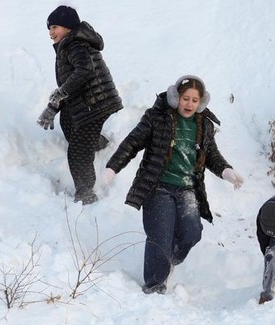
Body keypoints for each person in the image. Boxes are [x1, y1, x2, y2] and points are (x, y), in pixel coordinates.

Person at [101, 75, 244, 294]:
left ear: (201, 102)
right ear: (176, 97)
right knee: (160, 237)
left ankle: (171, 259)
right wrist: (113, 167)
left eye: (194, 101)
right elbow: (132, 143)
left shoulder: (203, 124)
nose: (189, 104)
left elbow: (212, 155)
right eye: (185, 98)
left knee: (192, 232)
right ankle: (155, 285)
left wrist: (227, 172)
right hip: (158, 187)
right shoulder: (157, 117)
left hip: (188, 188)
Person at [37, 5, 123, 205]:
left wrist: (60, 94)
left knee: (77, 151)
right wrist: (54, 106)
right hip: (87, 102)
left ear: (68, 26)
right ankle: (98, 143)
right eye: (49, 29)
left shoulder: (75, 44)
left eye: (54, 27)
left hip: (96, 103)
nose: (50, 33)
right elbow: (70, 84)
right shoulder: (69, 45)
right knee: (67, 120)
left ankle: (86, 194)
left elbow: (85, 71)